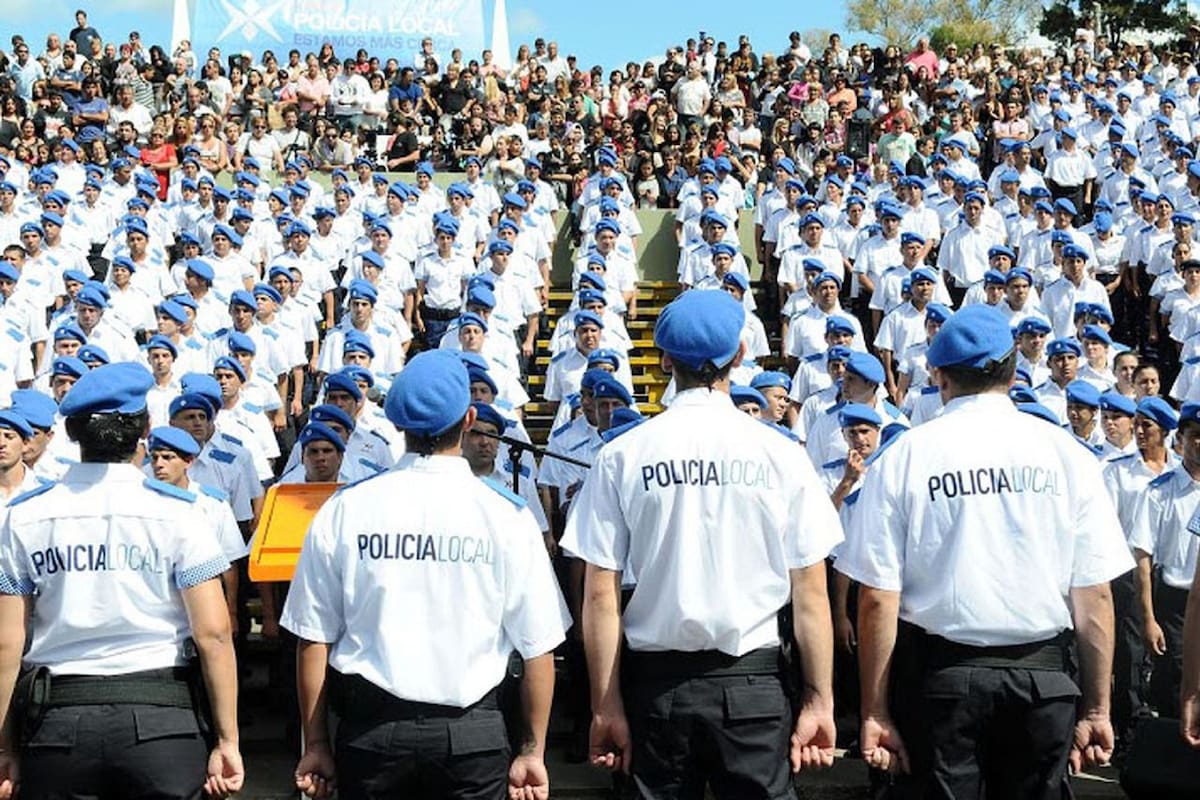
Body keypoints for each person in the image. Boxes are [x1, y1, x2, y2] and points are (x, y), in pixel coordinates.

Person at [836, 304, 1133, 797]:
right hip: (1041, 684)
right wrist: (1098, 708)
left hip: (942, 685)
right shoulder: (1066, 456)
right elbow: (1096, 597)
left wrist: (875, 710)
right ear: (1014, 368)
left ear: (940, 377)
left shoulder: (906, 455)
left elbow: (876, 599)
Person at [562, 290, 843, 798]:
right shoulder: (781, 454)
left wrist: (605, 706)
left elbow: (601, 596)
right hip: (753, 688)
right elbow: (811, 595)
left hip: (657, 690)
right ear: (739, 354)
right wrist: (820, 699)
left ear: (665, 359)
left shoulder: (623, 455)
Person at [280, 350, 568, 799]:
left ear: (397, 424)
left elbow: (312, 639)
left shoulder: (346, 508)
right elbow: (538, 649)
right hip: (472, 740)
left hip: (372, 738)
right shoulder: (505, 515)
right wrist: (532, 750)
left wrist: (316, 742)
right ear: (469, 419)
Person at [0, 362, 243, 799]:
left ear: (72, 433)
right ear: (145, 430)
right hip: (163, 725)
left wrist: (5, 746)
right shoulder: (180, 511)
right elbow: (215, 634)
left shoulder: (25, 515)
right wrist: (228, 740)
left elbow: (6, 641)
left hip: (58, 726)